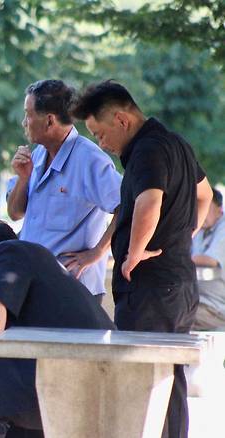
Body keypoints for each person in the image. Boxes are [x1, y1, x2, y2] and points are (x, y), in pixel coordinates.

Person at [71, 80, 213, 438]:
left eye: (100, 134)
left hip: (151, 287)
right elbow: (205, 195)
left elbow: (149, 201)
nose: (101, 144)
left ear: (121, 120)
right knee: (169, 378)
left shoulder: (147, 149)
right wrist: (184, 234)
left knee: (145, 379)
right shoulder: (175, 142)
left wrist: (134, 253)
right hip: (178, 283)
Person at [0, 220, 115, 438]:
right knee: (7, 400)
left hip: (79, 377)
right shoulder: (42, 271)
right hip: (93, 377)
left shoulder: (10, 251)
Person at [7, 79, 122, 302]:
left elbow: (127, 206)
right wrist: (23, 178)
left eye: (28, 115)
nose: (24, 122)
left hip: (74, 290)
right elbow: (15, 213)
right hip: (35, 285)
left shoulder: (89, 159)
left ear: (49, 120)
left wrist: (96, 253)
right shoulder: (38, 155)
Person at [191, 187, 225, 330]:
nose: (200, 212)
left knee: (176, 316)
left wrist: (175, 258)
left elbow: (210, 260)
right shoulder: (200, 228)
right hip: (198, 303)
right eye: (197, 206)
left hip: (216, 308)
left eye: (205, 206)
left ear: (219, 210)